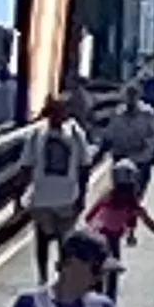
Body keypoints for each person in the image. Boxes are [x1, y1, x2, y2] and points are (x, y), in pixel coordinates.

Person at [24, 99, 95, 279]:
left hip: (67, 197)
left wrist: (82, 197)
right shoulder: (36, 133)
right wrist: (19, 197)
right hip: (42, 197)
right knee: (42, 240)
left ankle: (63, 276)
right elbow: (26, 165)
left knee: (65, 243)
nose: (57, 116)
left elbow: (84, 165)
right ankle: (43, 277)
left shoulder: (75, 132)